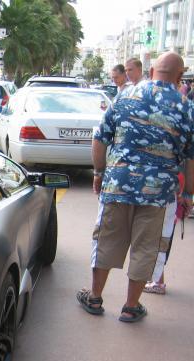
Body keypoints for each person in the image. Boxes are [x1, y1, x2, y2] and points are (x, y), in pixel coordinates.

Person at [77, 52, 194, 323]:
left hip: (118, 184)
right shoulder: (186, 107)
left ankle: (95, 298)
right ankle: (131, 306)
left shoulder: (125, 96)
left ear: (152, 71)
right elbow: (190, 157)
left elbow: (100, 139)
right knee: (146, 246)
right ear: (179, 76)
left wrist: (98, 173)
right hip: (159, 193)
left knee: (107, 239)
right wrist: (188, 194)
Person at [144, 171, 186, 294]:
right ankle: (156, 279)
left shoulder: (172, 175)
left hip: (164, 217)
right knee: (160, 248)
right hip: (170, 218)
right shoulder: (178, 174)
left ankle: (158, 282)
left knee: (158, 248)